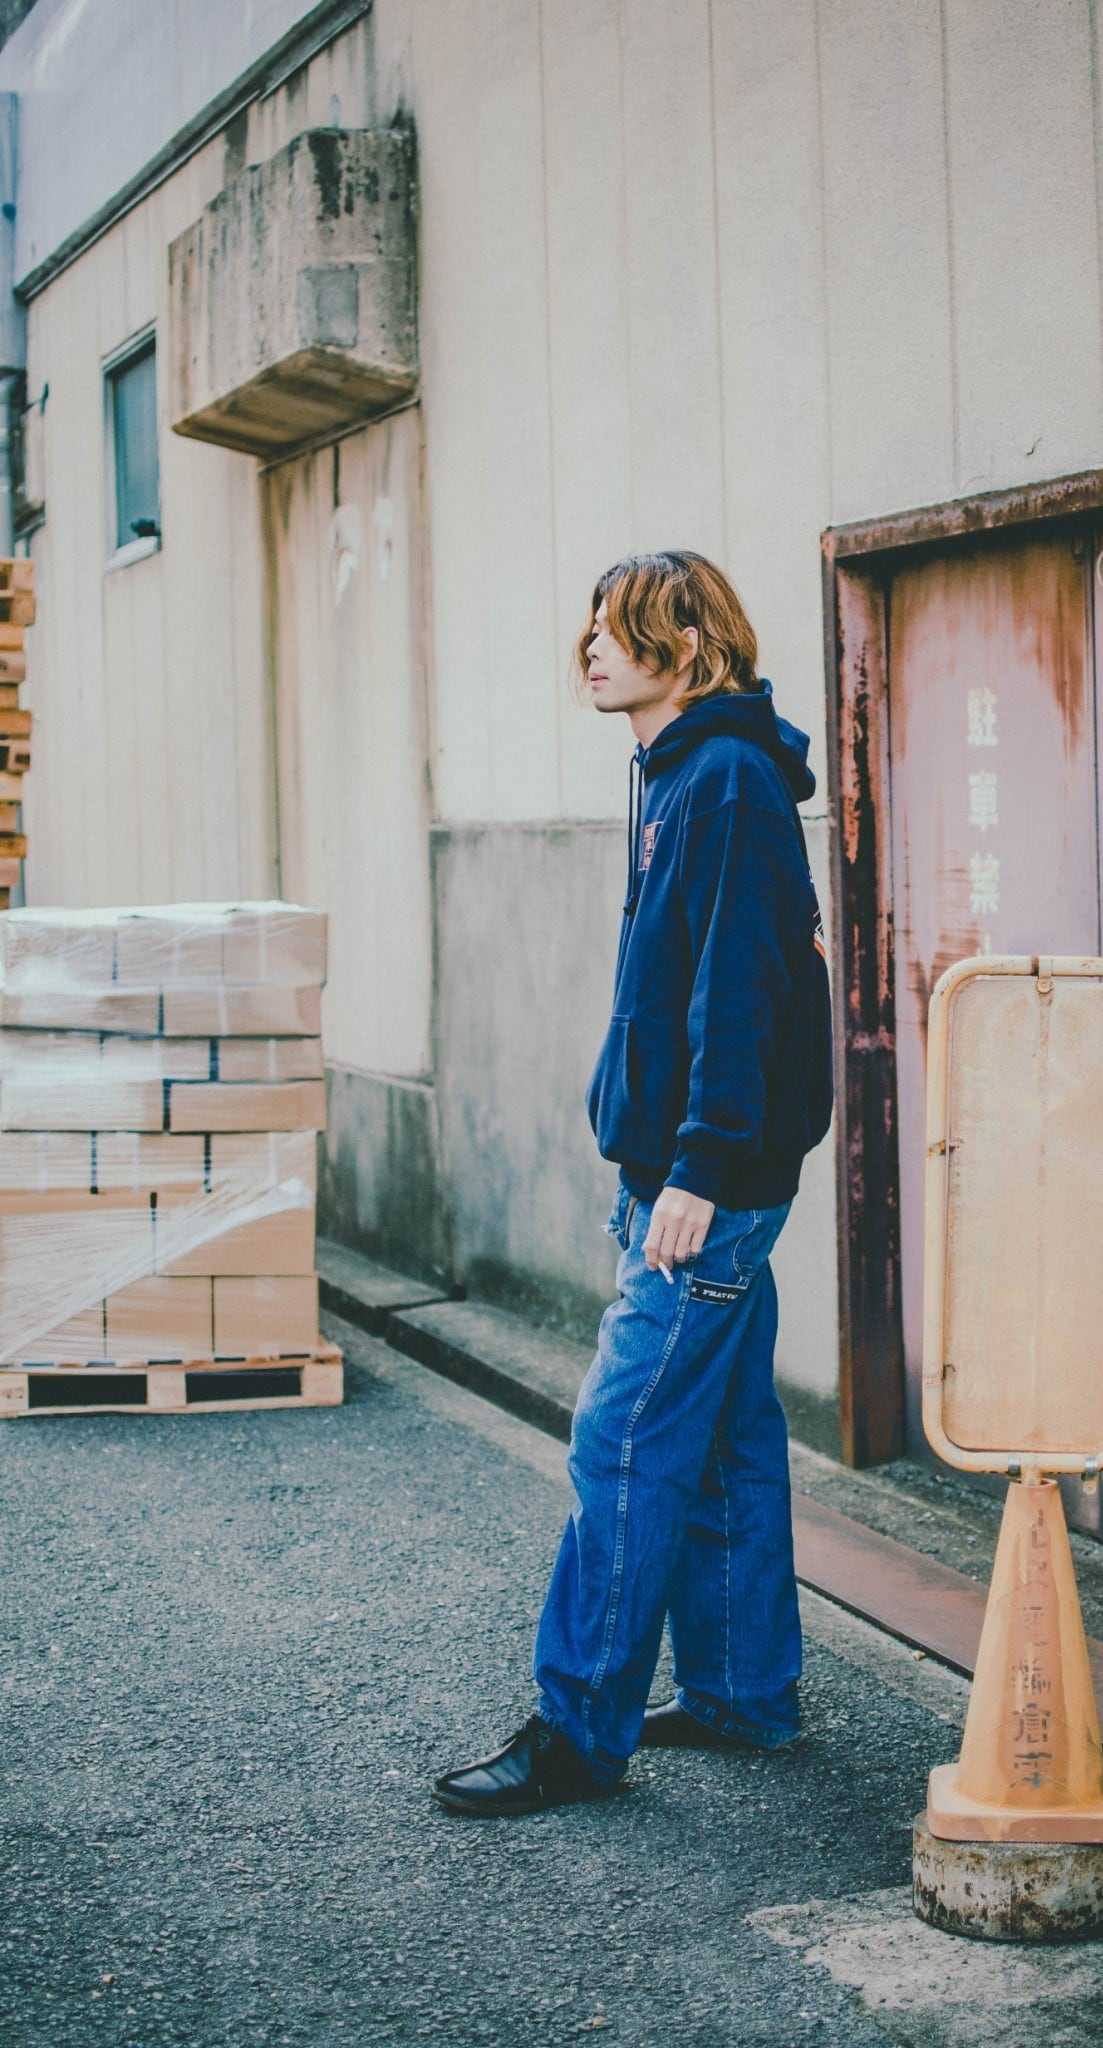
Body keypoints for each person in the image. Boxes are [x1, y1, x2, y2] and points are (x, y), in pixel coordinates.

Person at [433, 551, 833, 1816]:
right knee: (721, 1434)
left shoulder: (727, 779)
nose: (593, 646)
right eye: (592, 625)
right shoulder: (674, 767)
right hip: (683, 1169)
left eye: (620, 627)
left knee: (622, 1436)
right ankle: (741, 1691)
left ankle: (577, 1731)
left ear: (689, 644)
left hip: (705, 1182)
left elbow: (743, 985)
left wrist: (699, 1167)